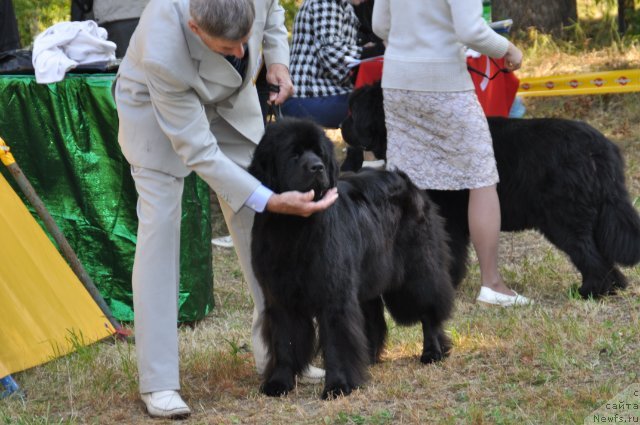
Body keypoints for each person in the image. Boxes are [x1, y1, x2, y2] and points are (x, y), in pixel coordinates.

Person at [114, 0, 338, 418]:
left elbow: (272, 15)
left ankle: (281, 352)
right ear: (197, 30)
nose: (240, 54)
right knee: (160, 232)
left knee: (261, 227)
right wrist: (269, 197)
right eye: (229, 47)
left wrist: (277, 61)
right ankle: (159, 382)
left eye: (244, 42)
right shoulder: (164, 49)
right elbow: (198, 150)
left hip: (231, 106)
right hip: (157, 113)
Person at [372, 0, 533, 307]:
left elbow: (380, 25)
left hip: (397, 81)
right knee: (482, 177)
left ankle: (400, 280)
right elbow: (471, 30)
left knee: (405, 180)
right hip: (445, 82)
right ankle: (492, 285)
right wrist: (508, 49)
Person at [281, 0, 384, 129]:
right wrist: (376, 50)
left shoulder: (341, 6)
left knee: (374, 102)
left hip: (316, 94)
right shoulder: (327, 3)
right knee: (377, 107)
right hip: (307, 98)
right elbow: (331, 53)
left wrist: (364, 50)